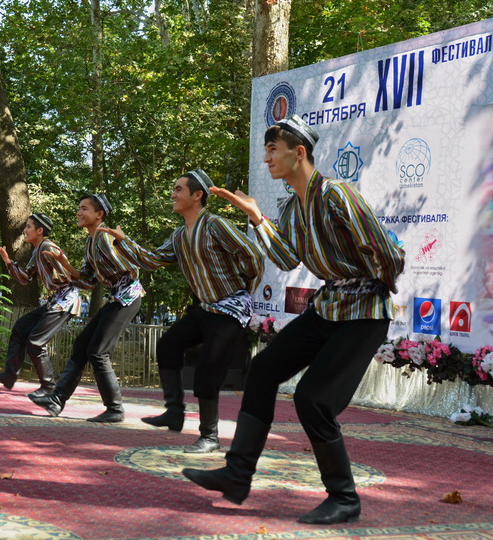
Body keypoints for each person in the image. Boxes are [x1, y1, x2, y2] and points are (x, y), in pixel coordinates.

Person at [182, 116, 405, 524]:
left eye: (272, 149)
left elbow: (385, 254)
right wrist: (255, 216)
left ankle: (344, 497)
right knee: (264, 368)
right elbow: (286, 258)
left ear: (297, 152)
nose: (266, 157)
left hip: (362, 313)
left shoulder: (337, 194)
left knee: (313, 399)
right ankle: (237, 475)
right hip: (327, 307)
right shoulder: (291, 206)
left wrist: (377, 290)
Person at [99, 169, 264, 452]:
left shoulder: (216, 225)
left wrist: (245, 287)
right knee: (168, 345)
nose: (172, 194)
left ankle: (210, 437)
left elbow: (252, 255)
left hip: (231, 309)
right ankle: (175, 411)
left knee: (207, 373)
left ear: (197, 195)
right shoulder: (178, 235)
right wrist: (122, 241)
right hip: (206, 307)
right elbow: (151, 260)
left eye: (178, 189)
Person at [31, 194, 143, 423]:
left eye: (84, 209)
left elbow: (129, 267)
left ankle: (115, 409)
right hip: (116, 298)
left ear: (99, 214)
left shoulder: (104, 238)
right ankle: (56, 400)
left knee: (98, 352)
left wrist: (121, 248)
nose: (79, 213)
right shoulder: (90, 241)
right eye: (78, 208)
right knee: (82, 345)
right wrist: (63, 263)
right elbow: (87, 281)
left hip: (128, 297)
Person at [0, 213, 81, 399]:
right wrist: (7, 260)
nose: (25, 230)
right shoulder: (37, 251)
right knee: (21, 327)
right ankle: (9, 374)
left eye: (28, 226)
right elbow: (25, 278)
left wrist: (57, 271)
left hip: (66, 301)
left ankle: (48, 387)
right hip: (55, 300)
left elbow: (67, 275)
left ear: (40, 230)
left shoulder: (48, 247)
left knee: (36, 341)